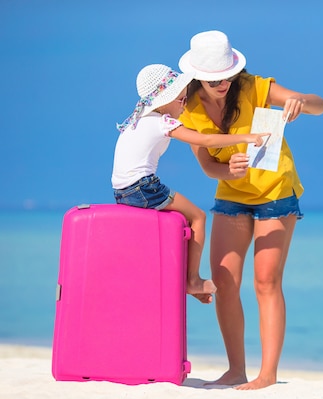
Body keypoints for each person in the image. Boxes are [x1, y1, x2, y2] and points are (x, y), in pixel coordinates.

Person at [177, 30, 323, 389]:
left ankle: (268, 375)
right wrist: (226, 170)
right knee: (225, 283)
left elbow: (321, 105)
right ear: (199, 75)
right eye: (214, 77)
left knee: (266, 281)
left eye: (227, 74)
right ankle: (235, 370)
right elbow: (207, 165)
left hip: (276, 193)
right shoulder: (188, 106)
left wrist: (299, 102)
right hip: (231, 195)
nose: (223, 82)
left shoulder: (253, 87)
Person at [111, 64, 268, 304]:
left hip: (122, 192)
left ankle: (181, 278)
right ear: (164, 100)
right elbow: (204, 139)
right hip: (143, 187)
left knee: (177, 219)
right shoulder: (161, 122)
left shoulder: (136, 120)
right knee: (197, 217)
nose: (184, 105)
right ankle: (192, 279)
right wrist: (247, 137)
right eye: (181, 100)